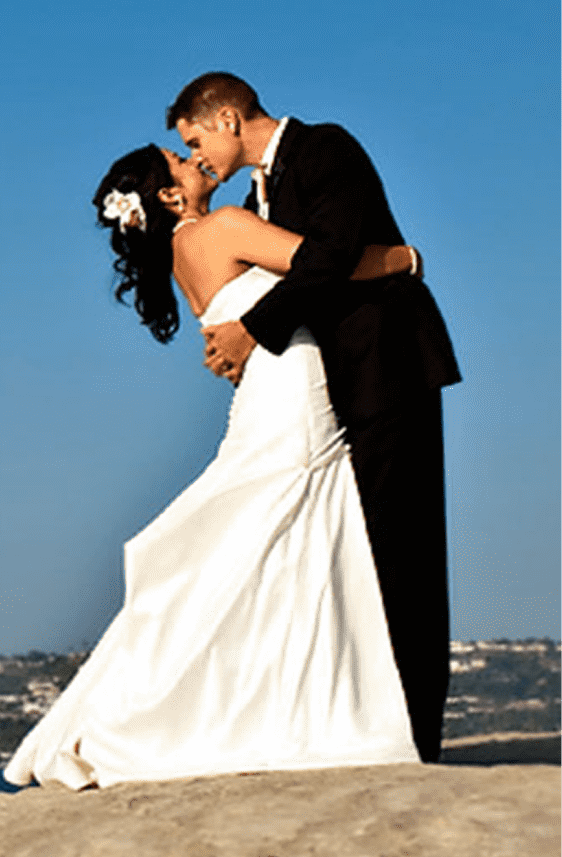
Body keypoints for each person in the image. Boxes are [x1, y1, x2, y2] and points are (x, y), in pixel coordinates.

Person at [4, 144, 422, 789]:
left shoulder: (181, 253)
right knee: (273, 530)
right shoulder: (222, 227)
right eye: (181, 158)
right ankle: (277, 704)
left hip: (270, 389)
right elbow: (323, 266)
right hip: (287, 391)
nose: (195, 159)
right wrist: (404, 259)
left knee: (266, 539)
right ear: (170, 196)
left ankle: (276, 701)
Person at [170, 73, 460, 763]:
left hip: (386, 367)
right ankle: (361, 719)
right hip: (330, 389)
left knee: (404, 551)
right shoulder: (249, 198)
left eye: (195, 139)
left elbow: (327, 256)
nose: (197, 155)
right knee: (356, 554)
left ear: (229, 117)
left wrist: (249, 329)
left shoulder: (325, 149)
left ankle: (417, 737)